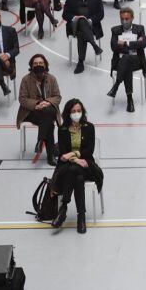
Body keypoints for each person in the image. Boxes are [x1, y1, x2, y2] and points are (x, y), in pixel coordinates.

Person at [53, 99, 103, 234]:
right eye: (74, 111)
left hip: (87, 165)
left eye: (79, 111)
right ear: (68, 113)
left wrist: (73, 154)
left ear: (82, 112)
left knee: (74, 171)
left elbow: (89, 150)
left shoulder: (89, 127)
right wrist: (76, 160)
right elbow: (63, 153)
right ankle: (81, 216)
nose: (77, 113)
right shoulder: (62, 129)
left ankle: (63, 208)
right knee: (77, 177)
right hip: (70, 166)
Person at [17, 54, 61, 166]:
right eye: (35, 63)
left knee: (48, 113)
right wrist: (37, 104)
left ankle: (40, 140)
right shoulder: (26, 79)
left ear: (45, 65)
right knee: (49, 119)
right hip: (31, 112)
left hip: (47, 110)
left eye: (41, 63)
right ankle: (50, 156)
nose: (38, 65)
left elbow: (57, 97)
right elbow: (22, 99)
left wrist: (47, 102)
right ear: (31, 66)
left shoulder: (52, 78)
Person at [107, 7, 146, 112]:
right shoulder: (115, 30)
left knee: (127, 59)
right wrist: (134, 44)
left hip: (137, 60)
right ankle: (130, 100)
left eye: (127, 19)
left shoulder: (139, 29)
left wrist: (125, 43)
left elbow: (143, 44)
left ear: (132, 18)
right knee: (127, 61)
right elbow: (113, 47)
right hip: (121, 62)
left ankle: (116, 85)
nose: (124, 21)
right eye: (122, 19)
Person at [62, 0, 105, 73]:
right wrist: (74, 18)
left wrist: (90, 20)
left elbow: (100, 14)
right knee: (81, 21)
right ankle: (94, 46)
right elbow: (65, 14)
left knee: (82, 31)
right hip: (74, 25)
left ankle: (81, 62)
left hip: (92, 25)